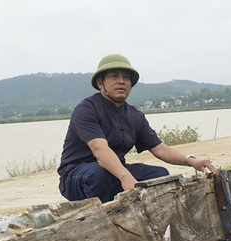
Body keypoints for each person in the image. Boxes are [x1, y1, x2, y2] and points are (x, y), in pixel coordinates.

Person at [58, 54, 218, 203]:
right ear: (100, 83)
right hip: (77, 175)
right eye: (114, 76)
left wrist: (191, 161)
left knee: (159, 175)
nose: (121, 81)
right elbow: (99, 150)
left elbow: (160, 149)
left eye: (126, 78)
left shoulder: (135, 116)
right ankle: (102, 216)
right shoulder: (87, 108)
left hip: (114, 172)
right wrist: (125, 176)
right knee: (97, 173)